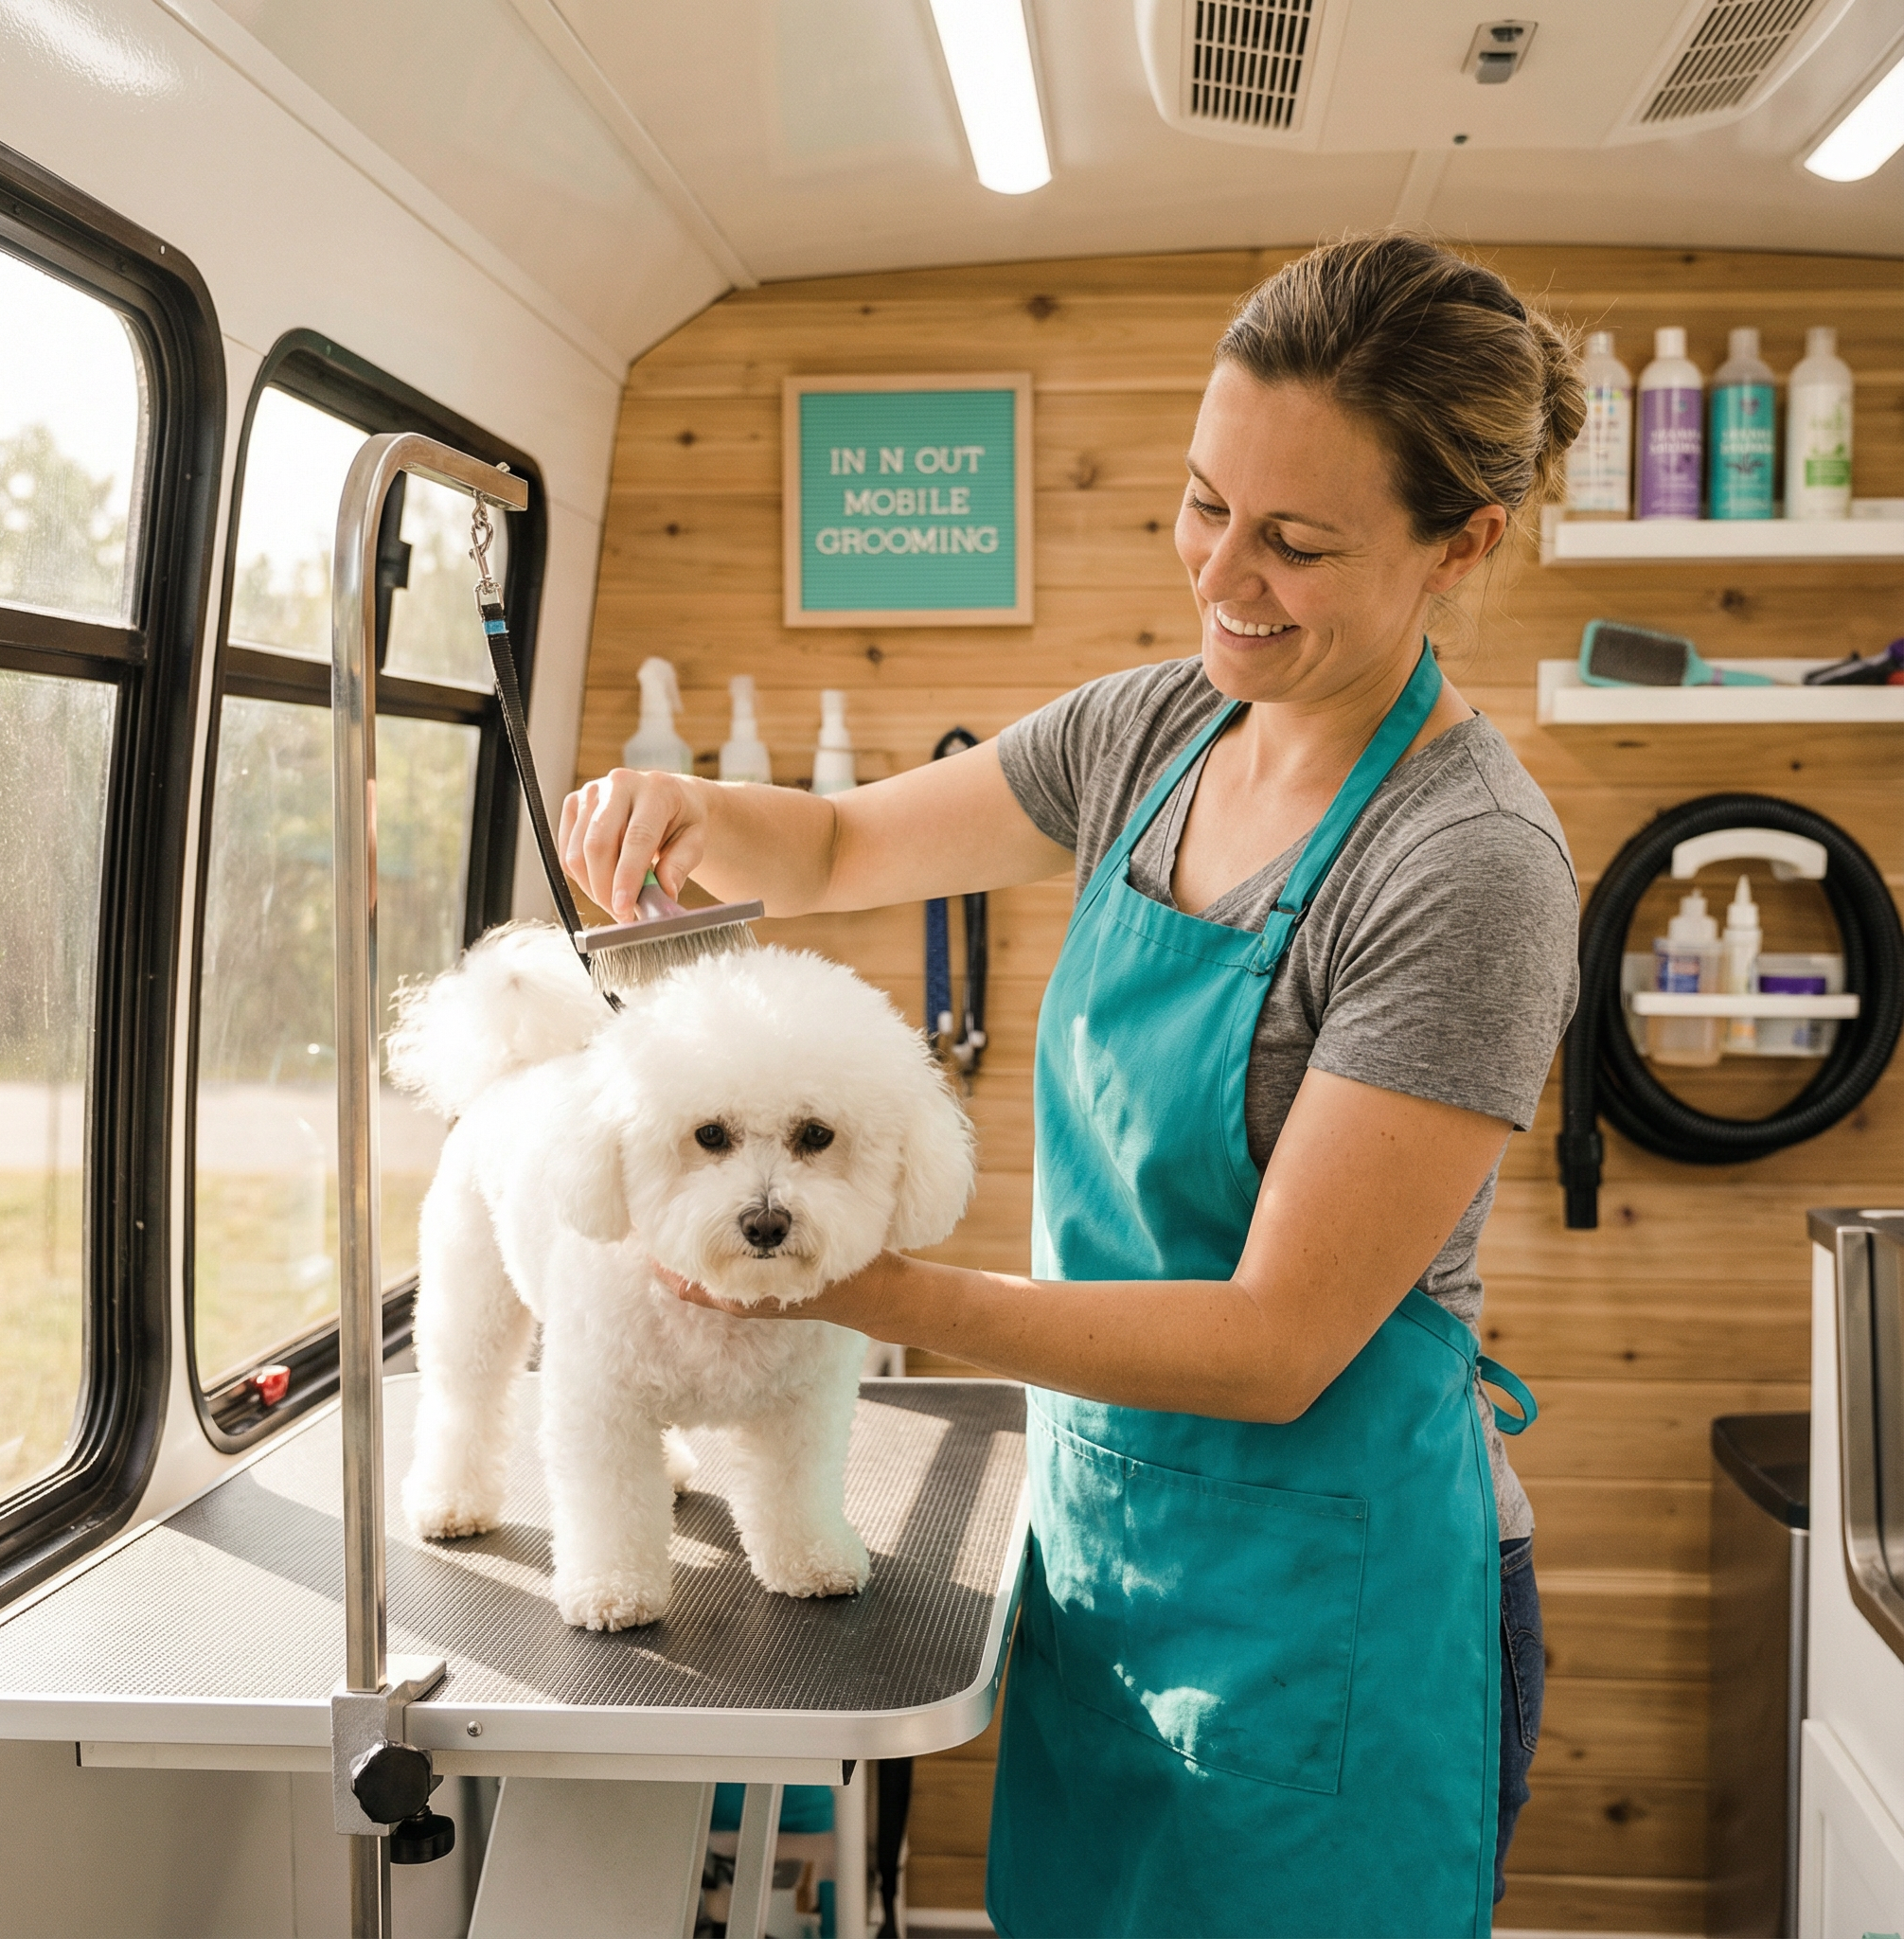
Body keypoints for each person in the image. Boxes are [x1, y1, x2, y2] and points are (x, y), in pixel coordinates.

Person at [560, 231, 1584, 1939]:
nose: (1223, 577)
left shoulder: (1466, 866)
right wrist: (684, 809)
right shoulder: (1154, 731)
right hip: (1109, 1542)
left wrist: (870, 1285)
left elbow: (1270, 1347)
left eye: (1297, 542)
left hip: (1333, 1592)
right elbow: (830, 840)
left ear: (1459, 542)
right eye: (1204, 506)